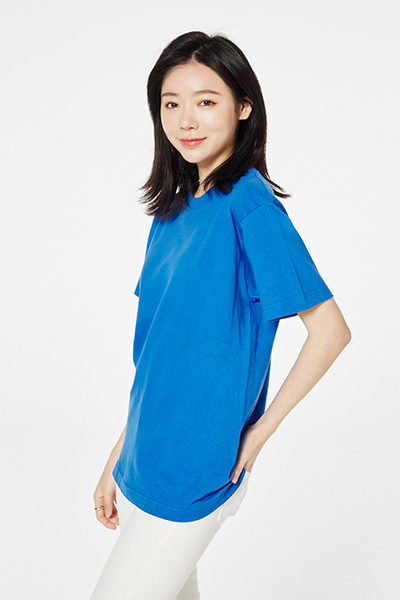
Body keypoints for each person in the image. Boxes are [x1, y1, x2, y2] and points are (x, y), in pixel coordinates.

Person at [90, 30, 351, 600]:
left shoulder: (250, 206)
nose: (186, 120)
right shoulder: (173, 210)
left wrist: (257, 436)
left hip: (199, 466)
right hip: (149, 454)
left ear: (243, 107)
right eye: (171, 103)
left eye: (206, 101)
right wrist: (119, 454)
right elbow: (163, 355)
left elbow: (331, 332)